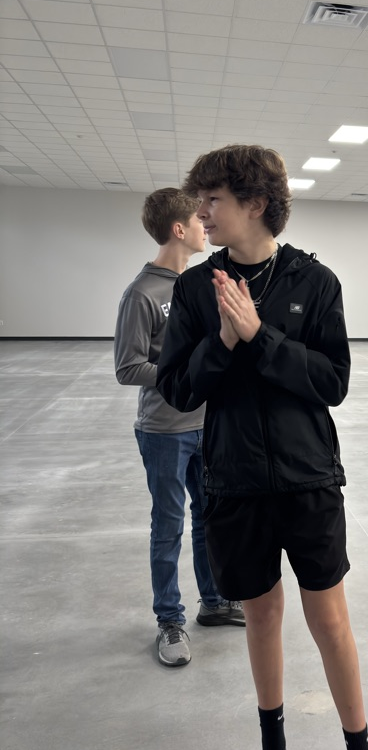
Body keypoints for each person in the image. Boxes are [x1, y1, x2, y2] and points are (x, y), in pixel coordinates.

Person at [156, 145, 368, 750]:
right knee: (260, 618)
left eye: (214, 199)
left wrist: (260, 338)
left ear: (255, 203)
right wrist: (222, 342)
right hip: (233, 485)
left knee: (331, 623)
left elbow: (333, 382)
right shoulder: (199, 292)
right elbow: (176, 387)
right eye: (201, 200)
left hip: (308, 482)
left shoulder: (314, 282)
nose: (201, 212)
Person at [114, 188, 245, 669]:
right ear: (178, 229)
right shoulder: (142, 294)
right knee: (168, 526)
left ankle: (213, 602)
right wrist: (186, 373)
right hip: (165, 431)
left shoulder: (197, 284)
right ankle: (170, 619)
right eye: (197, 216)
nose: (205, 221)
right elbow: (128, 368)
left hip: (205, 425)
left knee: (209, 519)